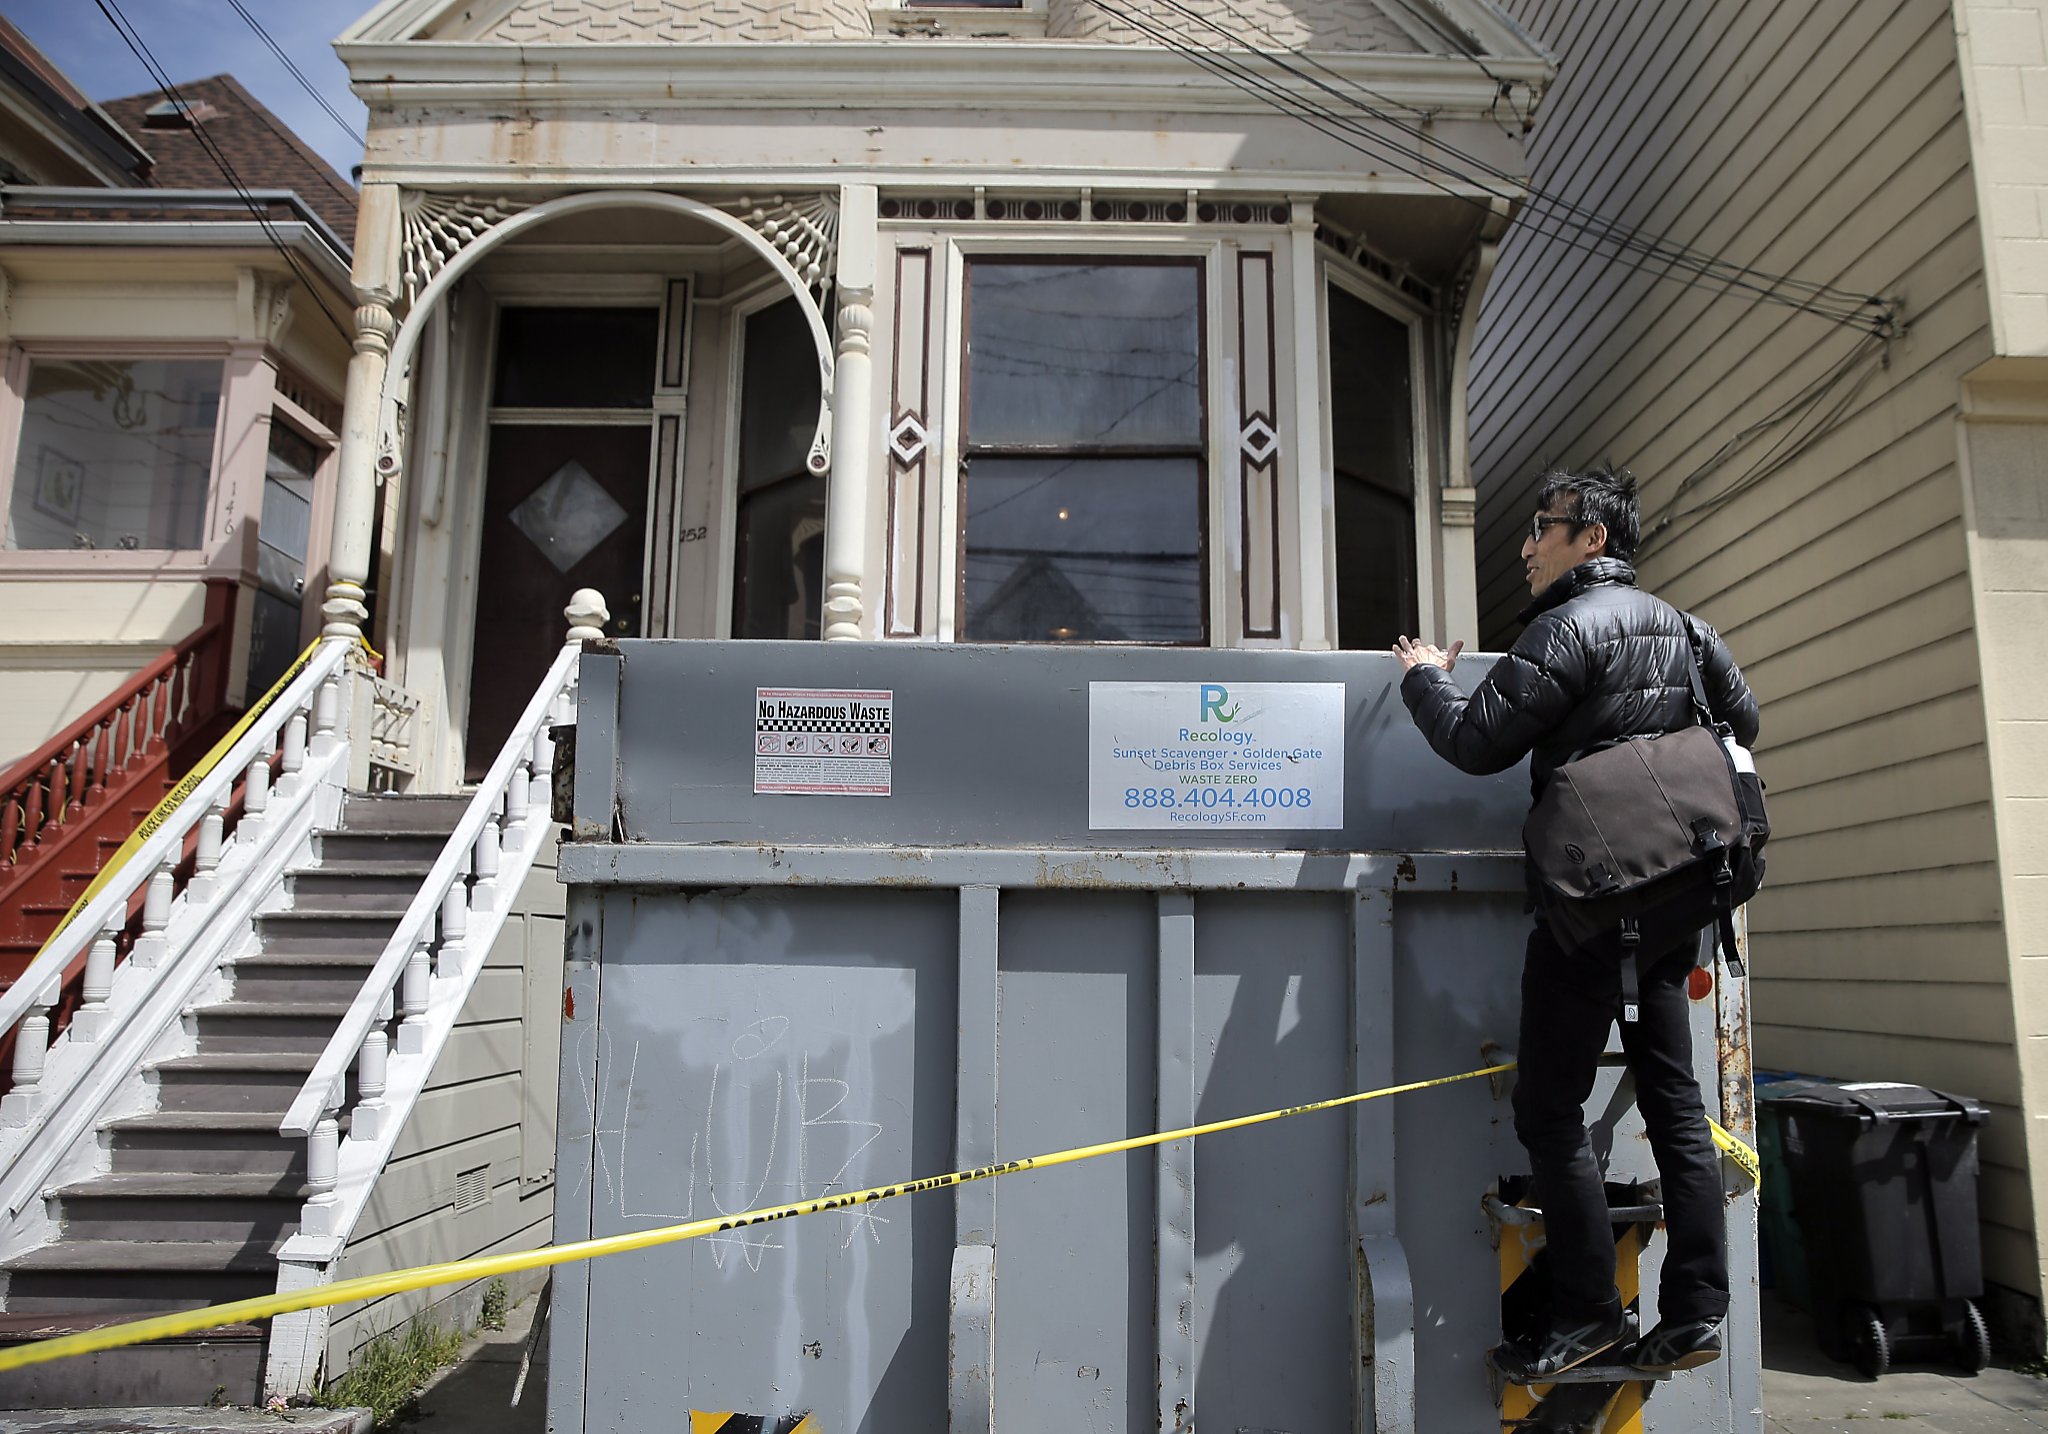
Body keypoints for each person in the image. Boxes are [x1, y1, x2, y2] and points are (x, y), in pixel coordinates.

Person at [1391, 463, 1759, 1383]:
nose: (1524, 547)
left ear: (1592, 539)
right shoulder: (1686, 627)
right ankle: (1697, 1308)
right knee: (1676, 1103)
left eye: (1541, 529)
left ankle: (1590, 1312)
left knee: (1550, 1110)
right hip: (1675, 896)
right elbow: (1744, 717)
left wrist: (1427, 680)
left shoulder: (1562, 631)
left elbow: (1477, 743)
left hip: (1592, 910)